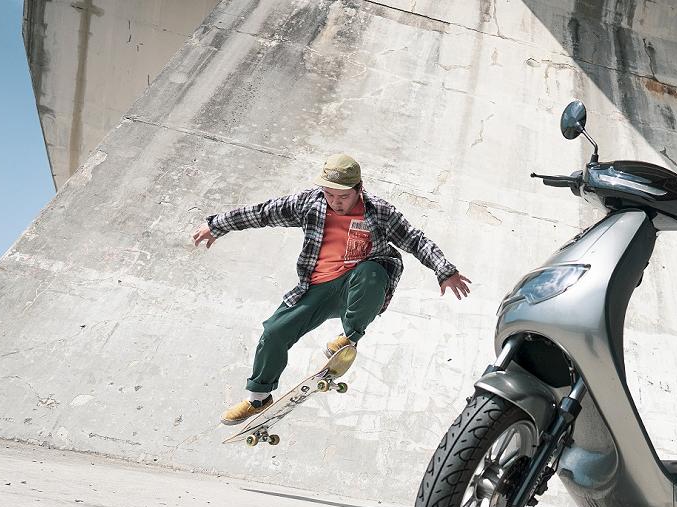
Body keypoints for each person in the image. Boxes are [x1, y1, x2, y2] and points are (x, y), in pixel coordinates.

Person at [192, 154, 471, 424]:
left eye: (344, 196)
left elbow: (414, 239)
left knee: (372, 271)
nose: (336, 202)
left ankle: (349, 339)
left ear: (359, 189)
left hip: (358, 288)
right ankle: (258, 398)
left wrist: (444, 270)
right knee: (274, 332)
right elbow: (263, 212)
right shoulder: (309, 203)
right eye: (330, 195)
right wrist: (217, 225)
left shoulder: (380, 212)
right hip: (316, 288)